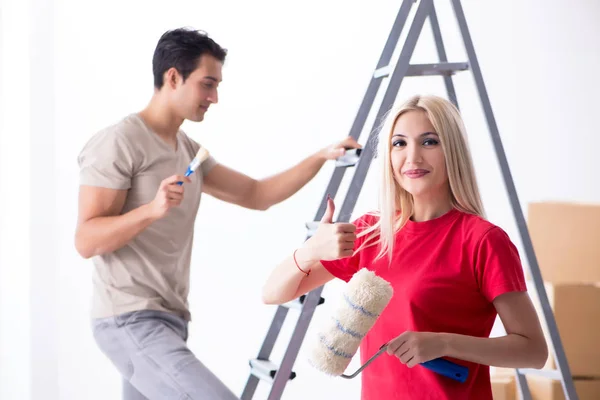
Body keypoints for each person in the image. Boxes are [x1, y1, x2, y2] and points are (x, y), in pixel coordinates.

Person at [74, 27, 360, 400]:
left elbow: (257, 194)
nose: (215, 97)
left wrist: (321, 156)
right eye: (207, 84)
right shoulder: (120, 142)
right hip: (129, 318)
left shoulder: (188, 149)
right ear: (173, 77)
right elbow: (86, 240)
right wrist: (151, 210)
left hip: (171, 320)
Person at [262, 94, 548, 400]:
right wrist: (311, 250)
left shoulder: (483, 241)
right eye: (400, 143)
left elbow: (533, 351)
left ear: (452, 150)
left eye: (429, 142)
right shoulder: (371, 233)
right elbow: (273, 293)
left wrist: (444, 343)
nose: (412, 158)